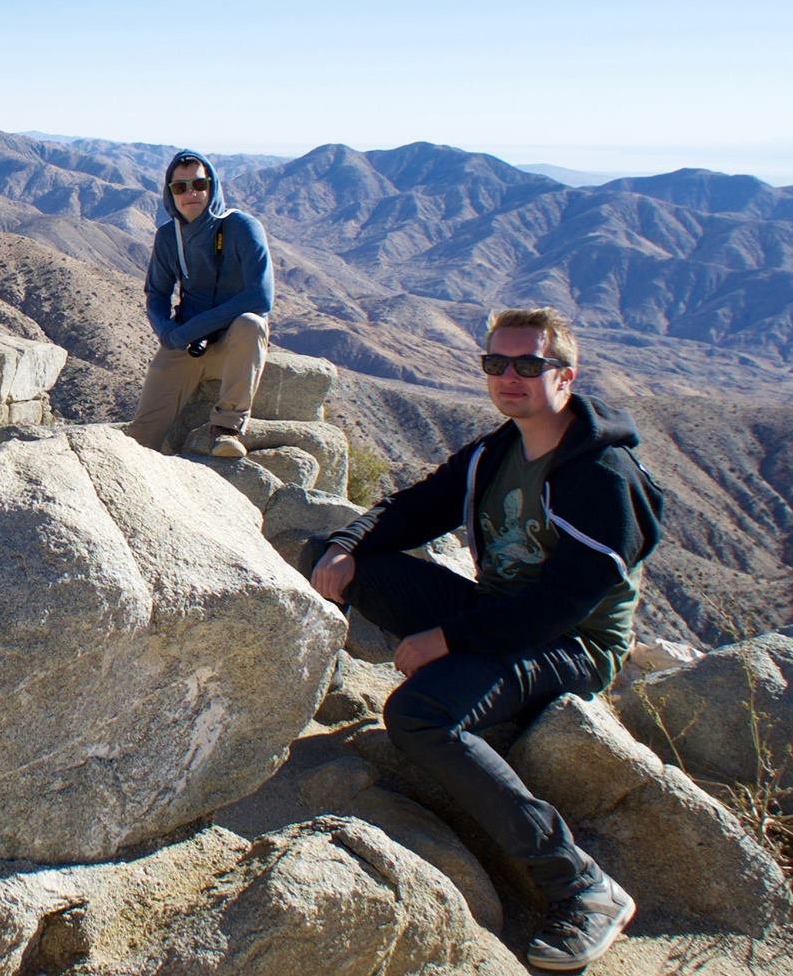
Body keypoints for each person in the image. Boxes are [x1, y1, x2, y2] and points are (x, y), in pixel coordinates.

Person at [303, 307, 661, 972]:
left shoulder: (602, 475)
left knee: (419, 714)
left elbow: (561, 605)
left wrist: (446, 638)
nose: (509, 377)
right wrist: (349, 544)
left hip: (571, 645)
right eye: (496, 363)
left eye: (529, 364)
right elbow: (415, 505)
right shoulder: (499, 452)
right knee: (336, 560)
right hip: (497, 614)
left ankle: (580, 883)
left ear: (567, 375)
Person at [125, 150, 273, 458]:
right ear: (170, 194)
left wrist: (190, 329)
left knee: (251, 323)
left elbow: (261, 297)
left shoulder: (242, 227)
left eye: (198, 184)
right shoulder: (169, 236)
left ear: (212, 186)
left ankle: (227, 428)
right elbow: (156, 293)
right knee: (139, 440)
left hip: (231, 341)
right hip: (186, 345)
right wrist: (166, 331)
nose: (190, 193)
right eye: (180, 188)